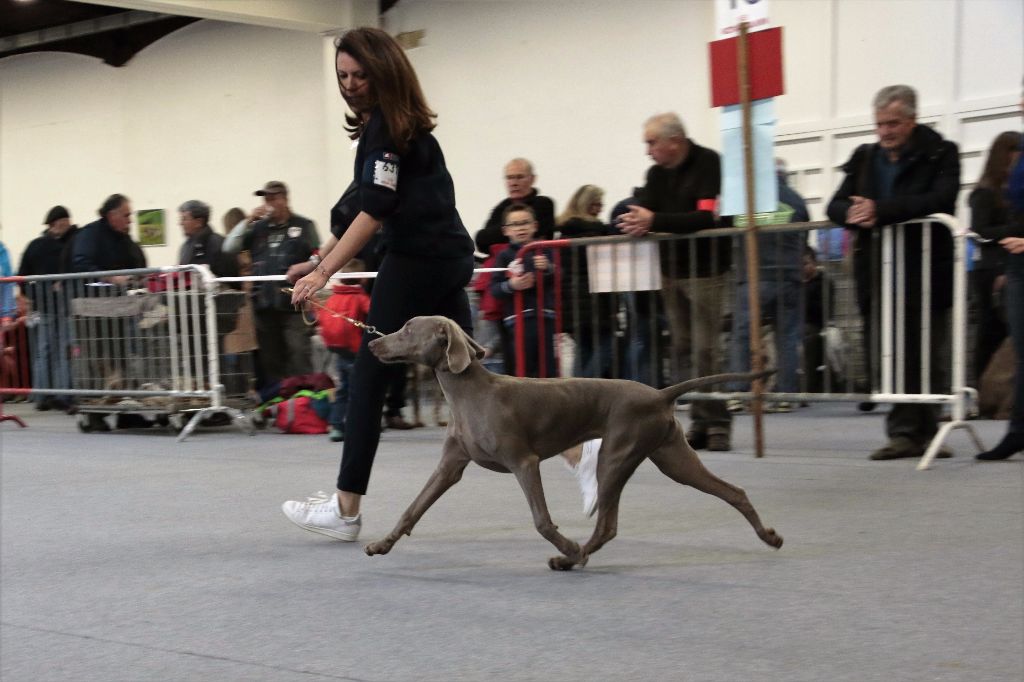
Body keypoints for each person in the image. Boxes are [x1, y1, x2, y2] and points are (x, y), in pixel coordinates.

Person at [281, 27, 477, 541]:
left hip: (415, 261)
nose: (349, 85)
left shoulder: (386, 128)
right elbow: (358, 204)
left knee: (369, 376)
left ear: (385, 71)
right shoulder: (398, 126)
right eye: (342, 76)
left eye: (360, 75)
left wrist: (323, 274)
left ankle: (345, 509)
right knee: (470, 374)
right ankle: (578, 451)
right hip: (448, 257)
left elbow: (375, 210)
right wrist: (318, 258)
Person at [826, 84, 960, 460]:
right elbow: (835, 204)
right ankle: (903, 432)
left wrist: (881, 210)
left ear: (912, 120)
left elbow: (941, 199)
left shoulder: (941, 152)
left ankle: (926, 430)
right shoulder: (864, 157)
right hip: (876, 271)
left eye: (893, 123)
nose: (885, 131)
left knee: (926, 350)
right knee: (886, 351)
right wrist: (853, 212)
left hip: (925, 269)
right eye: (880, 123)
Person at [617, 112, 733, 451]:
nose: (648, 151)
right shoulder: (655, 174)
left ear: (675, 141)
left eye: (652, 143)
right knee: (681, 349)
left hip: (706, 271)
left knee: (706, 350)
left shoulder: (709, 162)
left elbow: (704, 217)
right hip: (670, 272)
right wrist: (636, 221)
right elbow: (645, 212)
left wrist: (654, 220)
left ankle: (718, 422)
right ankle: (696, 419)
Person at [728, 160, 809, 412]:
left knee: (743, 336)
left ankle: (738, 393)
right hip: (789, 277)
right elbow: (804, 237)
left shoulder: (747, 200)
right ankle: (785, 395)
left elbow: (733, 230)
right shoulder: (797, 200)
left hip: (754, 277)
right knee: (787, 337)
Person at [223, 180, 320, 386]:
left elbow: (319, 256)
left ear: (284, 199)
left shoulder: (304, 225)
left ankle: (305, 401)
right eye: (266, 199)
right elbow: (229, 247)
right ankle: (280, 402)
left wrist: (308, 267)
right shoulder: (256, 229)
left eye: (273, 198)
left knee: (298, 356)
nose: (268, 203)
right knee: (271, 361)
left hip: (295, 305)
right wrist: (247, 221)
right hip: (264, 307)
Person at [969, 132, 1021, 384]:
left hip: (1010, 264)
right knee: (990, 330)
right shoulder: (985, 193)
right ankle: (982, 385)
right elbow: (980, 231)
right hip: (991, 268)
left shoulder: (1013, 192)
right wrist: (1014, 231)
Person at [557, 184, 621, 378]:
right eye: (597, 204)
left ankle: (575, 389)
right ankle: (584, 388)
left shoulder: (564, 231)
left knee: (584, 348)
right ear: (588, 204)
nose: (600, 208)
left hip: (572, 300)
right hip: (594, 297)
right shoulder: (597, 232)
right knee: (607, 344)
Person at [17, 205, 77, 411]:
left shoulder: (36, 245)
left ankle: (44, 395)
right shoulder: (67, 245)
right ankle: (62, 394)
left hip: (46, 306)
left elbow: (22, 275)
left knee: (46, 350)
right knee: (61, 350)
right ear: (57, 223)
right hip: (58, 306)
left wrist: (30, 296)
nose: (66, 225)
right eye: (64, 222)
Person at [490, 203, 557, 378]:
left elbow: (558, 277)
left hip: (545, 316)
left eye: (525, 223)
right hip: (518, 319)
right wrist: (512, 285)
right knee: (524, 366)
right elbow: (495, 288)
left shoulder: (545, 250)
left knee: (548, 366)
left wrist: (548, 268)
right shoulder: (503, 256)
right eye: (515, 224)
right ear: (506, 230)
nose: (520, 228)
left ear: (535, 226)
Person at [317, 259, 372, 443]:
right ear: (363, 279)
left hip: (339, 350)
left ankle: (336, 426)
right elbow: (373, 314)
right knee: (362, 389)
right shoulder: (360, 297)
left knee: (342, 390)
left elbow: (321, 317)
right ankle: (363, 425)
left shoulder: (333, 297)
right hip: (356, 352)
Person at [474, 158, 556, 256]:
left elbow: (534, 234)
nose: (514, 183)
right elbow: (481, 241)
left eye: (520, 177)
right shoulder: (501, 207)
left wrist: (505, 231)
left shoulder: (543, 203)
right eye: (509, 178)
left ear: (532, 179)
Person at [71, 194, 146, 277]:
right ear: (111, 216)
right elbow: (82, 265)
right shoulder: (89, 234)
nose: (130, 221)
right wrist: (109, 278)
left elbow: (138, 262)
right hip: (97, 285)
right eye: (126, 216)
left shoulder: (125, 238)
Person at [177, 199, 238, 278]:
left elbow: (229, 278)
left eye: (184, 219)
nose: (180, 223)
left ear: (199, 222)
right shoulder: (185, 247)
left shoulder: (219, 244)